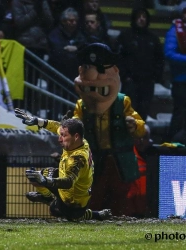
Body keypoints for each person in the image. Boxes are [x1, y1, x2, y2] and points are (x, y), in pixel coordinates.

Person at [73, 43, 146, 216]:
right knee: (94, 195)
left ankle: (120, 221)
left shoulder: (123, 102)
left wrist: (134, 125)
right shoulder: (82, 106)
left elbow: (140, 126)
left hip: (118, 160)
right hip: (95, 159)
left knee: (121, 198)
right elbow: (74, 126)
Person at [14, 109, 112, 221]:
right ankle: (47, 197)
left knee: (55, 210)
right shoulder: (79, 140)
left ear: (76, 136)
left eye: (63, 136)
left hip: (74, 201)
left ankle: (92, 214)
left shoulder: (78, 158)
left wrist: (46, 181)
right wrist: (37, 121)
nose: (59, 139)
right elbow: (57, 126)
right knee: (36, 176)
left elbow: (68, 182)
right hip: (69, 184)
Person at [116, 7, 164, 121]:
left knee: (143, 113)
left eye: (144, 17)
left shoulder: (153, 38)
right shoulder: (125, 36)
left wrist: (155, 77)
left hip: (147, 83)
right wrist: (125, 76)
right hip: (130, 82)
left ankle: (140, 138)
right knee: (128, 114)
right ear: (134, 18)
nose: (141, 19)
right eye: (139, 17)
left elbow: (160, 59)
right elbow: (118, 58)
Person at [164, 7, 186, 141]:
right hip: (181, 80)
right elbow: (169, 53)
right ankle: (172, 143)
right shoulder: (175, 31)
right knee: (179, 113)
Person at [47, 7, 85, 82]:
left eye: (75, 20)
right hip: (58, 74)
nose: (74, 23)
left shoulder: (79, 34)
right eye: (71, 21)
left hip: (74, 74)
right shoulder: (55, 34)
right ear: (63, 21)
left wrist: (76, 49)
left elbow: (84, 47)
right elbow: (57, 50)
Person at [126, 124, 152, 218]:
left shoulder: (155, 156)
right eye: (138, 138)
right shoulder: (129, 158)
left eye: (144, 138)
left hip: (149, 208)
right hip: (132, 210)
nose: (141, 141)